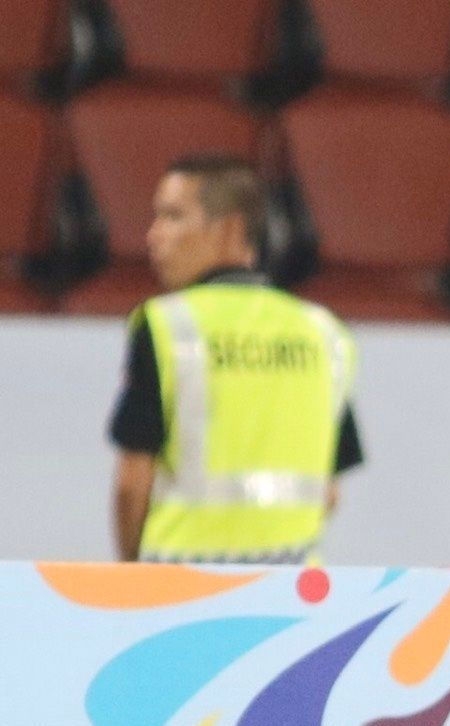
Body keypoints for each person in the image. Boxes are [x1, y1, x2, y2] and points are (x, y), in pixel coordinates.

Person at [107, 154, 361, 566]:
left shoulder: (167, 325)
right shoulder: (323, 332)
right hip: (293, 588)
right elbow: (329, 490)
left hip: (181, 585)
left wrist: (134, 575)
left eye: (172, 216)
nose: (153, 235)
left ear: (230, 229)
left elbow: (132, 482)